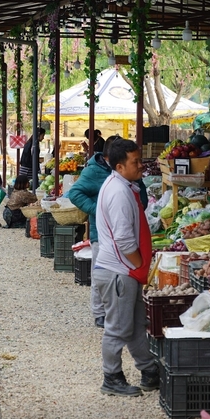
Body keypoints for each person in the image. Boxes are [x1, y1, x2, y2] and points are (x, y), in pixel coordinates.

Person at [93, 139, 158, 396]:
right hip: (118, 271)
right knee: (118, 329)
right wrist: (139, 264)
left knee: (134, 324)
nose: (141, 165)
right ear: (120, 167)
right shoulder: (119, 192)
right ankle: (111, 377)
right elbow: (123, 238)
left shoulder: (121, 185)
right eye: (135, 162)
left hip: (123, 271)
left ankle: (150, 371)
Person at [68, 135, 148, 329]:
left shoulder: (127, 176)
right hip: (101, 233)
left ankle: (124, 317)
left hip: (127, 228)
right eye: (134, 161)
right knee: (101, 272)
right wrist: (98, 209)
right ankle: (100, 313)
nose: (139, 165)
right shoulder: (94, 172)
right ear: (112, 161)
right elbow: (74, 193)